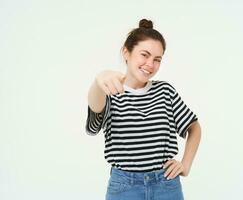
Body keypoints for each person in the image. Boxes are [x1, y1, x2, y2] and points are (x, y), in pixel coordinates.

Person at [85, 18, 201, 200]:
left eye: (157, 59)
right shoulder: (110, 88)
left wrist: (185, 165)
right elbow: (93, 128)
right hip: (124, 187)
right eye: (144, 55)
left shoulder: (165, 91)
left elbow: (194, 127)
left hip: (166, 184)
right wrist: (98, 81)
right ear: (126, 52)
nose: (150, 65)